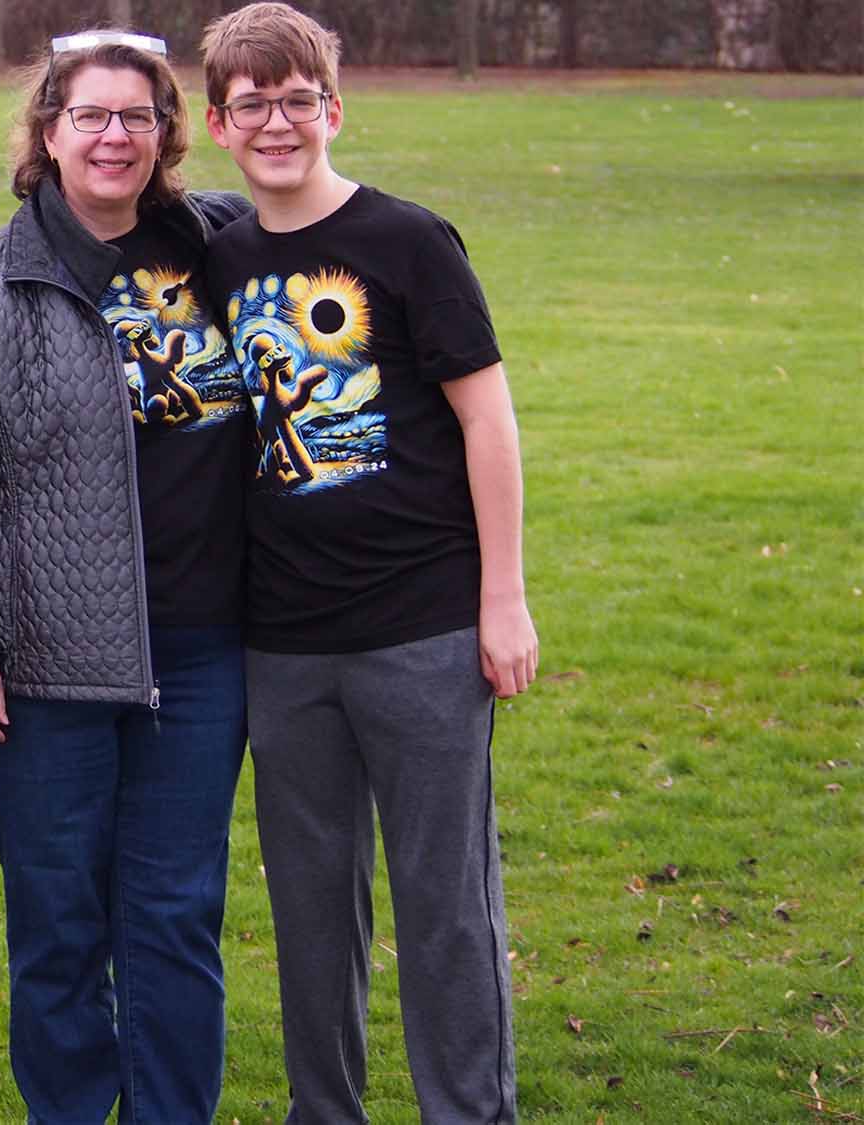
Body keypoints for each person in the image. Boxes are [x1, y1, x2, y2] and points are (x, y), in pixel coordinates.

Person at [0, 31, 253, 1124]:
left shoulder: (219, 253)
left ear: (165, 136)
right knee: (57, 922)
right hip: (42, 666)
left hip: (199, 655)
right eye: (89, 116)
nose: (113, 136)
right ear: (47, 135)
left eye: (135, 118)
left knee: (175, 914)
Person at [198, 4, 537, 1120]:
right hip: (282, 645)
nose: (278, 121)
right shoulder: (220, 257)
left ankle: (466, 1109)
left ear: (332, 110)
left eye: (297, 99)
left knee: (444, 905)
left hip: (422, 630)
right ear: (217, 124)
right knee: (306, 907)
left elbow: (486, 422)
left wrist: (502, 601)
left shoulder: (405, 242)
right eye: (252, 104)